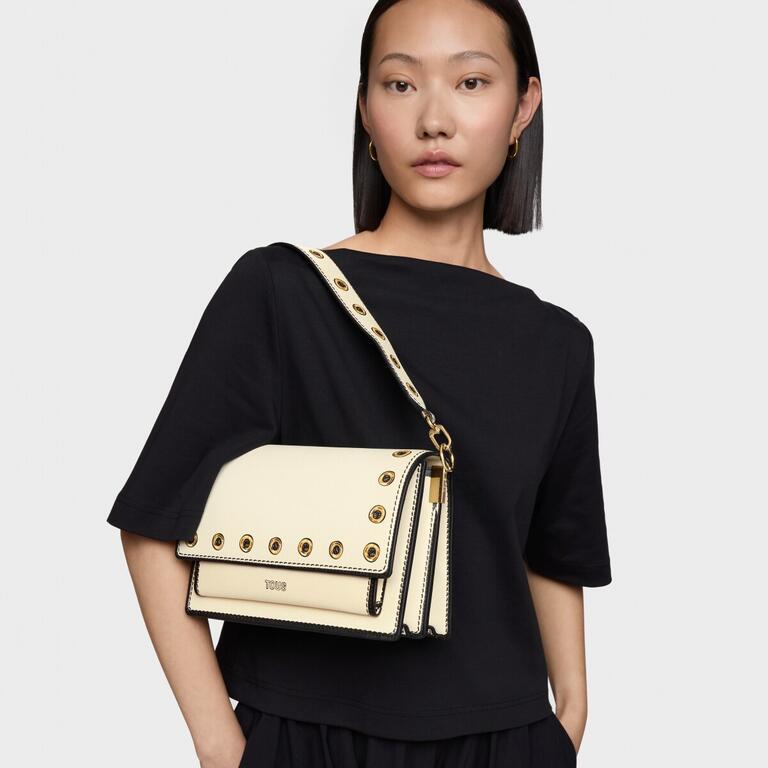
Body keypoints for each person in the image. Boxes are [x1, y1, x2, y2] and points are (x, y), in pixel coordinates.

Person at [106, 0, 612, 765]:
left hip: (503, 742)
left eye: (471, 82)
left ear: (522, 108)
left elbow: (551, 555)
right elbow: (154, 521)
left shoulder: (557, 343)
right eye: (400, 84)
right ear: (367, 113)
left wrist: (567, 719)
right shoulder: (281, 292)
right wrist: (222, 747)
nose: (434, 120)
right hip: (307, 738)